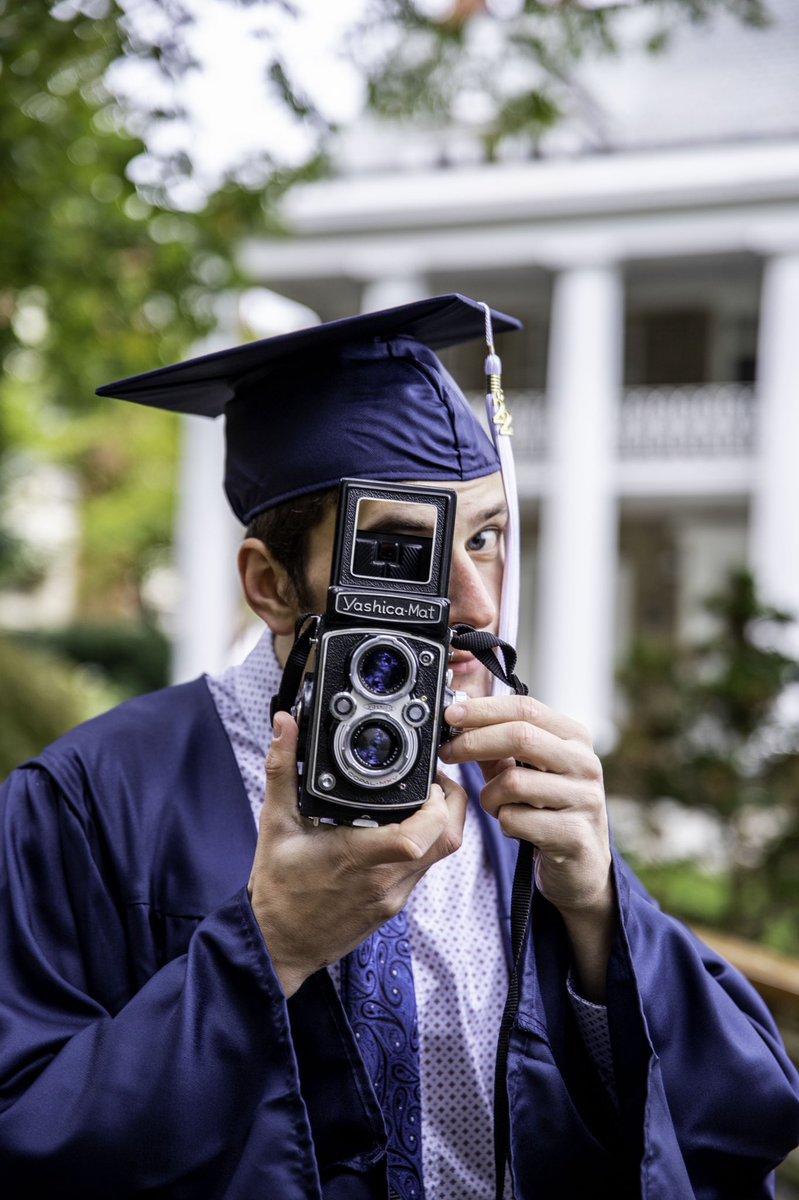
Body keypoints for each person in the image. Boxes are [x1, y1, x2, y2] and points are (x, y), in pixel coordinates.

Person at [0, 294, 796, 1200]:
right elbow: (26, 1138)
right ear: (270, 585)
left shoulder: (519, 786)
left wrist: (599, 917)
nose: (479, 607)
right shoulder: (90, 801)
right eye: (399, 555)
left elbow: (741, 1119)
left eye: (488, 538)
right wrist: (268, 951)